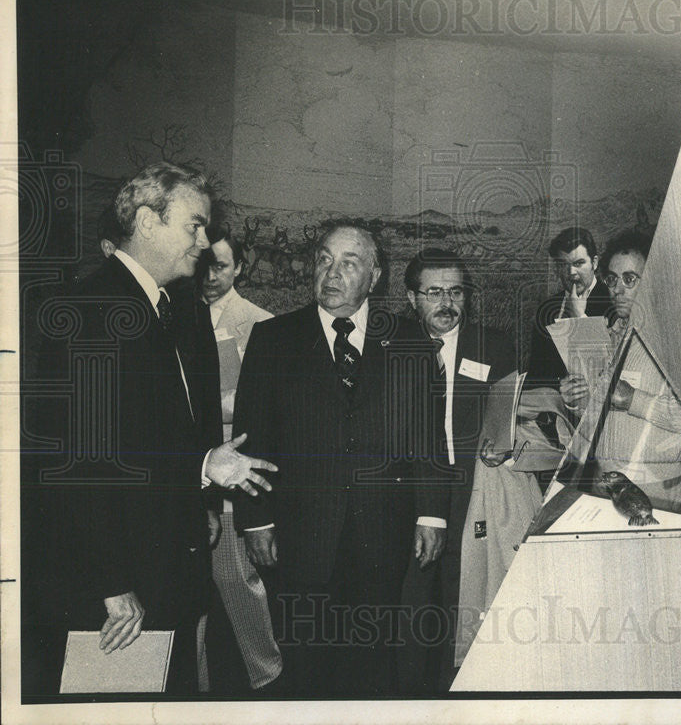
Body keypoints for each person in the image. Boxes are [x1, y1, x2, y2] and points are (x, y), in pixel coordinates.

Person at [24, 162, 277, 696]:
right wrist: (108, 584)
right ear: (145, 222)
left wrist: (202, 493)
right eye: (194, 226)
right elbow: (71, 463)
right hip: (118, 585)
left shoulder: (173, 309)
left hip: (169, 567)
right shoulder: (86, 310)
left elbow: (171, 428)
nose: (205, 242)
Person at [232, 222, 449, 697]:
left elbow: (429, 438)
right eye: (324, 260)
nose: (332, 272)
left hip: (383, 534)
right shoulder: (273, 339)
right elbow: (252, 439)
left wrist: (432, 513)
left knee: (374, 662)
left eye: (349, 262)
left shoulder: (410, 342)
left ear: (375, 276)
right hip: (299, 533)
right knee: (305, 660)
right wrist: (255, 522)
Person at [559, 229, 681, 522]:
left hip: (659, 491)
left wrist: (632, 399)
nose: (617, 289)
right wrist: (575, 403)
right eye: (612, 279)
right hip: (603, 484)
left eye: (630, 279)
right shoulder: (607, 336)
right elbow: (597, 420)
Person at [398, 248, 520, 692]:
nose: (447, 302)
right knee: (410, 595)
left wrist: (504, 445)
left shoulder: (494, 345)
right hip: (409, 490)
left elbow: (512, 415)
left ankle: (459, 691)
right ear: (411, 298)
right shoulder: (390, 345)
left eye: (456, 291)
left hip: (473, 485)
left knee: (464, 590)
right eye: (433, 292)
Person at [196, 230, 282, 692]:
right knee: (190, 592)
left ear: (239, 269)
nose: (211, 276)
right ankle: (195, 687)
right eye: (205, 266)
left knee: (238, 583)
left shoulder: (260, 323)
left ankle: (267, 677)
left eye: (222, 267)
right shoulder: (178, 314)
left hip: (233, 473)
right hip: (190, 473)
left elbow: (263, 406)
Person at [526, 227, 612, 390]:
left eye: (579, 263)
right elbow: (536, 375)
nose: (571, 272)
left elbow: (607, 368)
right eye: (563, 265)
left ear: (594, 263)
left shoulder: (612, 302)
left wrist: (579, 316)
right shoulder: (547, 309)